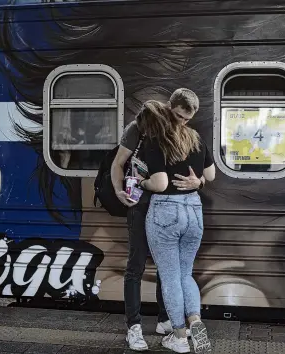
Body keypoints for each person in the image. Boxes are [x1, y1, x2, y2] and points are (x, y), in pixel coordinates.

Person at [111, 89, 205, 351]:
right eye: (178, 116)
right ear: (169, 107)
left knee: (169, 269)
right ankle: (134, 326)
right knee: (137, 265)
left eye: (187, 119)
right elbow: (118, 163)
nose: (182, 123)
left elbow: (198, 170)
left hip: (165, 209)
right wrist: (119, 192)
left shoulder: (180, 132)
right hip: (140, 205)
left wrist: (200, 181)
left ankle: (166, 319)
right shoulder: (140, 126)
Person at [138, 98, 215, 354]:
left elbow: (159, 183)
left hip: (165, 211)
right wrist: (199, 183)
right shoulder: (195, 137)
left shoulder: (155, 139)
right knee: (185, 274)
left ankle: (179, 338)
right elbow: (211, 175)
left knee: (170, 277)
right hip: (193, 209)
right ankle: (196, 324)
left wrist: (141, 183)